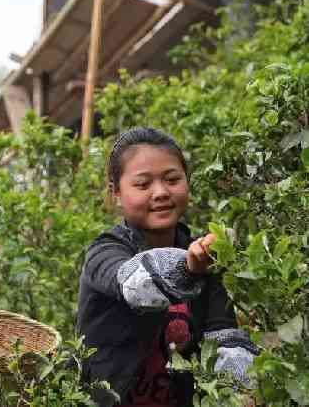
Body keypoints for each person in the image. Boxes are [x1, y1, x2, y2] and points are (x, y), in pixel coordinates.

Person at [77, 127, 257, 407]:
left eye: (172, 179)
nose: (161, 192)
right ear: (116, 193)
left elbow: (223, 337)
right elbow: (134, 284)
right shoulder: (105, 251)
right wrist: (188, 268)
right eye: (143, 184)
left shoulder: (205, 253)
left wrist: (245, 374)